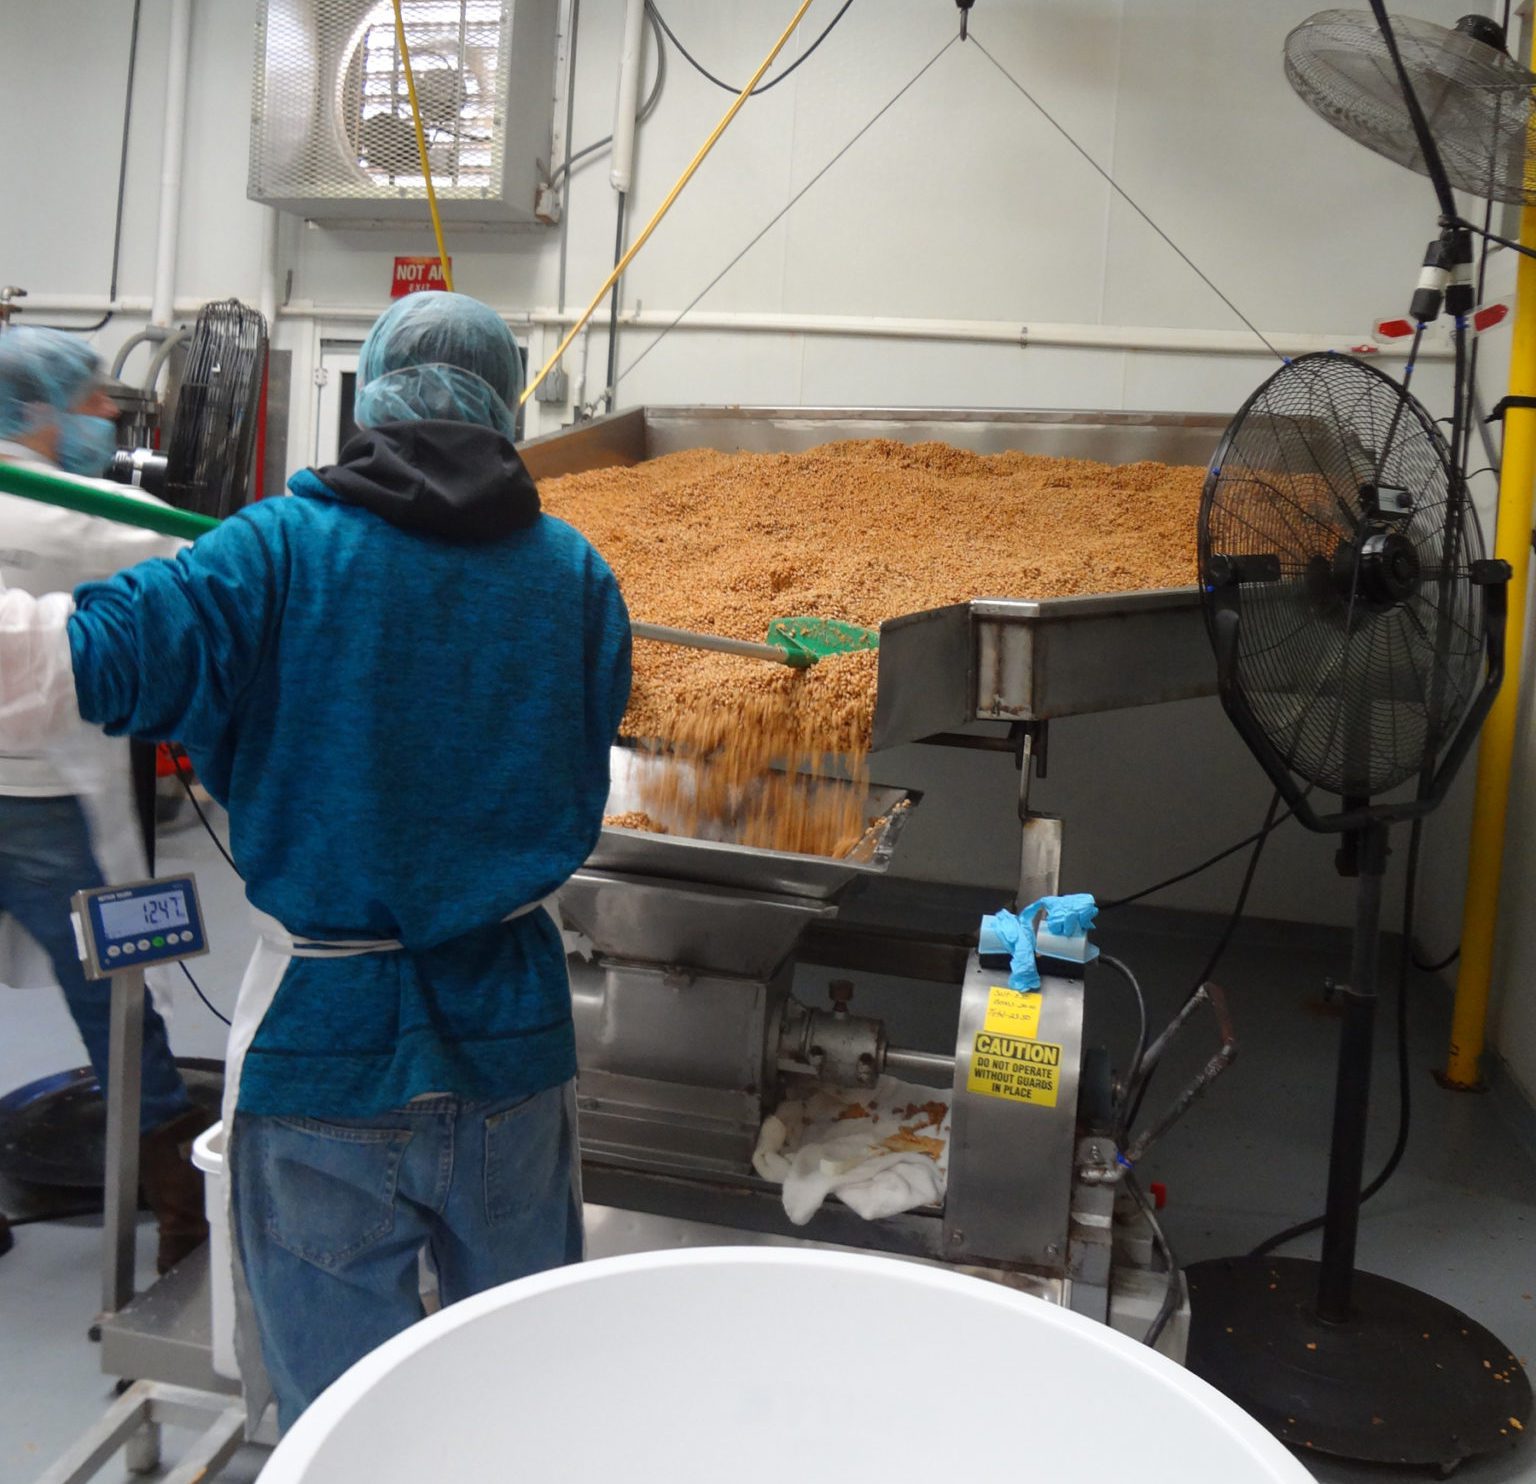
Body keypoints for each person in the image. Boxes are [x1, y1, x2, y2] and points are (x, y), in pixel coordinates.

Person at [0, 293, 631, 1428]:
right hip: (512, 1039)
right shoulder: (577, 576)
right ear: (502, 400)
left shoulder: (274, 552)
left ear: (372, 394)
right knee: (523, 1398)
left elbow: (61, 667)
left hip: (326, 1046)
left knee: (346, 1419)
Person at [0, 327, 209, 1269]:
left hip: (44, 792)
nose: (102, 420)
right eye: (89, 403)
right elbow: (222, 569)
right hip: (50, 802)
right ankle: (180, 1224)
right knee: (118, 992)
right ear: (34, 410)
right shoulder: (74, 512)